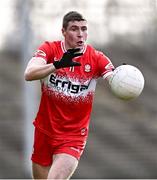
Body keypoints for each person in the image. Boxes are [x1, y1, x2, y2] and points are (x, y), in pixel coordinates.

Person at [24, 11, 115, 179]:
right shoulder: (49, 49)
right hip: (44, 131)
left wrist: (121, 78)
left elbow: (113, 77)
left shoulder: (96, 58)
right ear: (63, 32)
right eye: (74, 29)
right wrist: (57, 65)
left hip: (73, 137)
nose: (80, 34)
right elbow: (29, 73)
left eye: (84, 29)